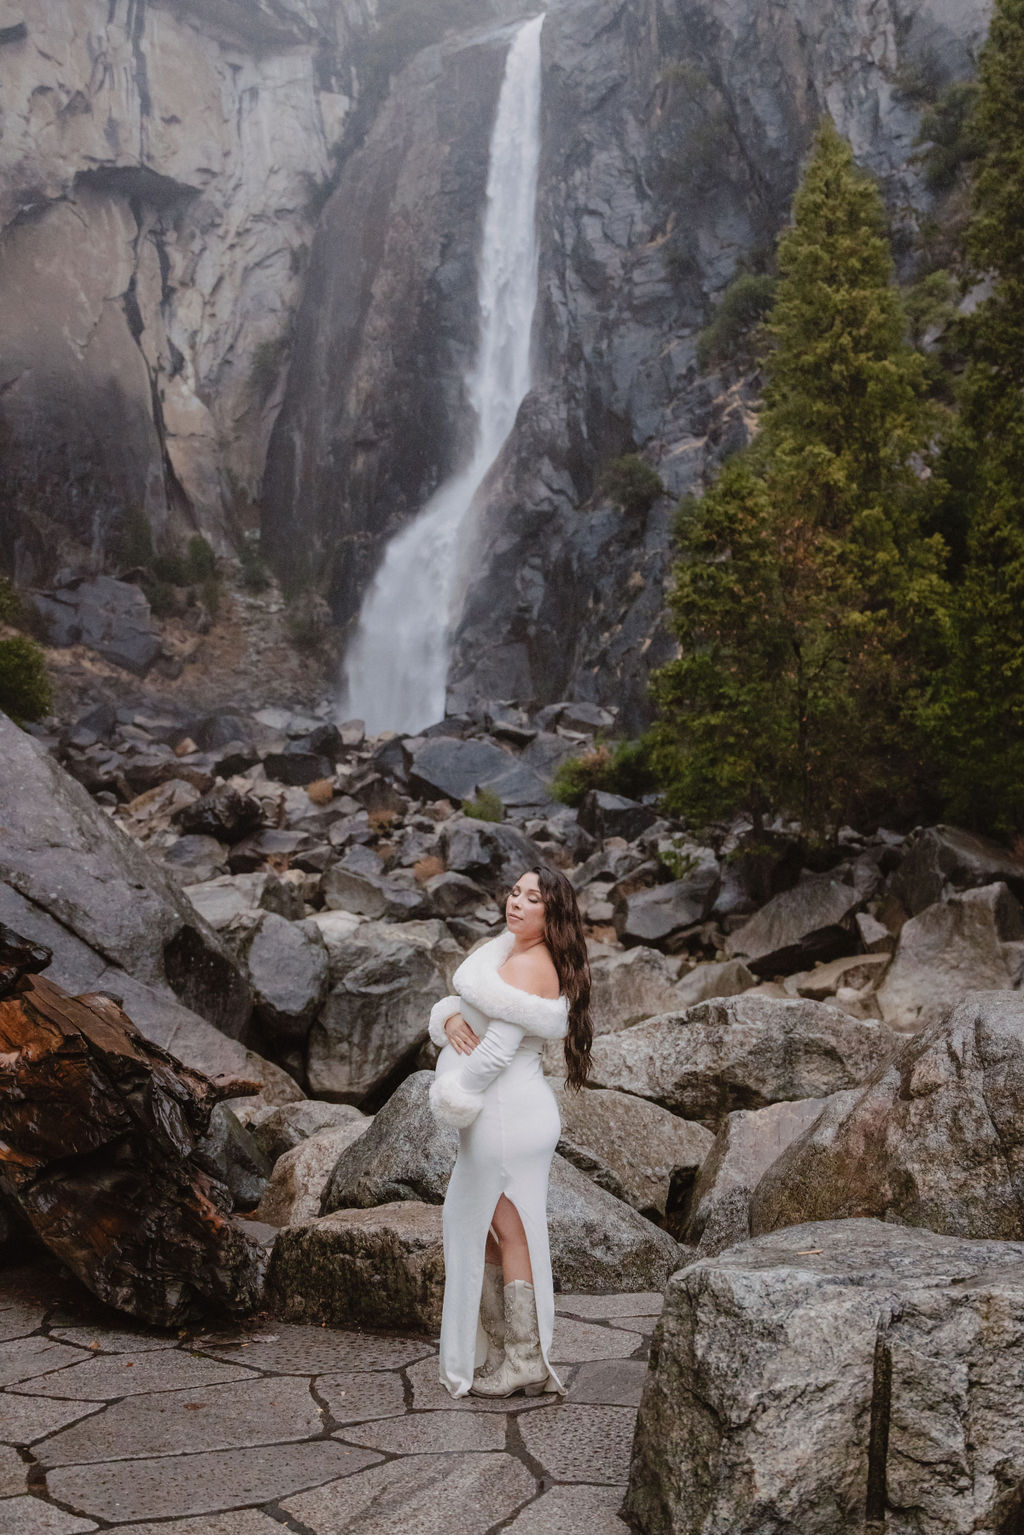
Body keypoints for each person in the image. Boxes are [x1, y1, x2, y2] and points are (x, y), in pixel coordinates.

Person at [427, 864, 592, 1399]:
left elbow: (495, 1051)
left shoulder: (529, 967)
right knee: (487, 1228)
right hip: (500, 1114)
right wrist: (450, 1018)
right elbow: (473, 1009)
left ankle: (524, 1357)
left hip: (507, 1116)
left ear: (553, 914)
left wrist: (454, 1094)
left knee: (510, 1228)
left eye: (532, 899)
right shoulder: (509, 952)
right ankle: (504, 1349)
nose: (516, 903)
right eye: (515, 893)